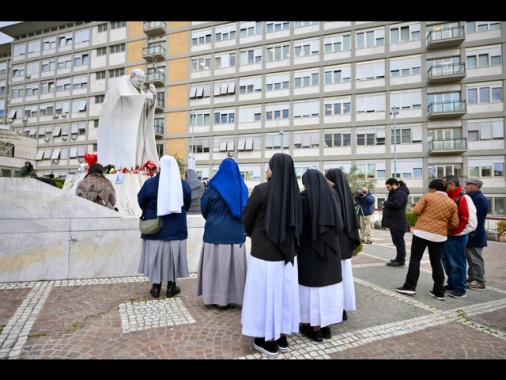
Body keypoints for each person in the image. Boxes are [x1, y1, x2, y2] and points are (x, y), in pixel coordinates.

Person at [241, 153, 303, 358]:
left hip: (264, 254)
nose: (266, 170)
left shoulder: (262, 190)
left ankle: (266, 340)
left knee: (263, 296)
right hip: (288, 257)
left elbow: (247, 217)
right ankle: (282, 336)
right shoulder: (296, 193)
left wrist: (248, 231)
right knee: (284, 296)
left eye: (268, 167)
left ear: (274, 169)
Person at [195, 158, 249, 310]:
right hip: (235, 233)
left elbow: (204, 207)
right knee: (233, 269)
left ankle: (213, 297)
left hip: (214, 232)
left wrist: (213, 219)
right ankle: (232, 298)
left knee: (214, 268)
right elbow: (247, 209)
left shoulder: (213, 187)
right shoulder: (242, 187)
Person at [298, 169, 344, 343]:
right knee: (327, 288)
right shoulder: (332, 196)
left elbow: (299, 227)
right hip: (331, 251)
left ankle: (315, 329)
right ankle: (325, 327)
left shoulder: (303, 199)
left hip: (310, 253)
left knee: (313, 291)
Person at [137, 155, 192, 299]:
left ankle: (155, 287)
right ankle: (171, 287)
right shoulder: (183, 185)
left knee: (156, 258)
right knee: (172, 260)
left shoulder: (150, 183)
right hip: (176, 229)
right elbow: (187, 205)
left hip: (155, 228)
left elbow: (141, 201)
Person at [395, 179, 459, 300]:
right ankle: (438, 291)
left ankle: (410, 287)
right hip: (439, 236)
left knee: (415, 259)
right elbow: (455, 223)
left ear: (433, 189)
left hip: (422, 232)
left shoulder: (428, 196)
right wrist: (443, 227)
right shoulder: (451, 203)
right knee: (436, 262)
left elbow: (416, 211)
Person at [97, 68, 159, 170]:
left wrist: (154, 96)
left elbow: (144, 105)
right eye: (139, 81)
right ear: (132, 77)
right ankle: (125, 167)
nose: (141, 83)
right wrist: (144, 97)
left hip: (137, 124)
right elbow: (124, 99)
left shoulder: (138, 90)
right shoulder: (121, 84)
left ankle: (137, 166)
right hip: (124, 126)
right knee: (129, 147)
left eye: (143, 81)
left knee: (138, 147)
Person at [325, 168, 361, 322]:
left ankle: (337, 308)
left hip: (337, 242)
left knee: (335, 278)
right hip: (346, 242)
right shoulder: (346, 196)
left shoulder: (330, 195)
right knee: (345, 276)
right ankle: (344, 307)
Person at [441, 175, 478, 299]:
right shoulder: (450, 197)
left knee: (457, 262)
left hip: (456, 236)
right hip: (448, 235)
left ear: (451, 184)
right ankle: (452, 284)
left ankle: (460, 288)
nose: (442, 186)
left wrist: (456, 232)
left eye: (444, 183)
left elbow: (468, 219)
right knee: (446, 261)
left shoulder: (463, 198)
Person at [464, 178, 488, 290]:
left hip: (475, 233)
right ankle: (472, 277)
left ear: (476, 187)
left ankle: (480, 281)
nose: (465, 186)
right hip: (472, 232)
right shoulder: (473, 197)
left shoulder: (479, 199)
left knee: (475, 258)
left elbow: (471, 215)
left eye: (468, 185)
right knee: (470, 257)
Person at [382, 178, 410, 267]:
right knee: (398, 242)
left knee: (399, 242)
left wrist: (385, 203)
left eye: (389, 187)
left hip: (397, 222)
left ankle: (400, 260)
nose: (388, 189)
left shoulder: (400, 193)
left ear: (394, 184)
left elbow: (397, 204)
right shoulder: (397, 192)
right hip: (396, 222)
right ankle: (399, 258)